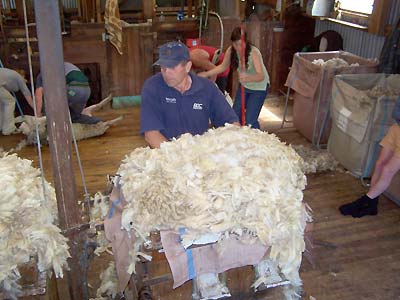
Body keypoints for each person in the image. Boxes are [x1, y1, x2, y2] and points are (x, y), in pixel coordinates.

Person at [140, 41, 239, 148]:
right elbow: (151, 134)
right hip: (165, 154)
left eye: (172, 67)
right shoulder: (153, 87)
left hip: (198, 154)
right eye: (163, 67)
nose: (166, 72)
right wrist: (176, 158)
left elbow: (232, 124)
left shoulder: (207, 88)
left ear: (187, 67)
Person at [199, 27, 270, 129]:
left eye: (241, 44)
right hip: (245, 86)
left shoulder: (254, 53)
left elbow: (261, 76)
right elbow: (223, 67)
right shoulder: (231, 51)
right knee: (234, 116)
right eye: (236, 44)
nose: (238, 47)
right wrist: (206, 74)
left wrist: (248, 78)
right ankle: (238, 139)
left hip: (259, 87)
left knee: (250, 120)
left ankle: (256, 140)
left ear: (246, 42)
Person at [339, 97, 400, 218]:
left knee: (388, 170)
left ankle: (364, 201)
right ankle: (372, 204)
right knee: (379, 164)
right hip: (397, 126)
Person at [35, 62, 101, 124]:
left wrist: (38, 115)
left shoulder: (43, 73)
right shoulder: (65, 65)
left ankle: (51, 124)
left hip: (73, 91)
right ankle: (96, 121)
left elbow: (38, 95)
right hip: (87, 91)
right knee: (74, 117)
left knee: (58, 114)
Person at [0, 68, 33, 135]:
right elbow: (27, 93)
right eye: (26, 80)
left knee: (3, 103)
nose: (25, 82)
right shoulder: (18, 77)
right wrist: (35, 108)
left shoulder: (11, 75)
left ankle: (1, 126)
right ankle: (8, 129)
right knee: (10, 102)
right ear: (23, 76)